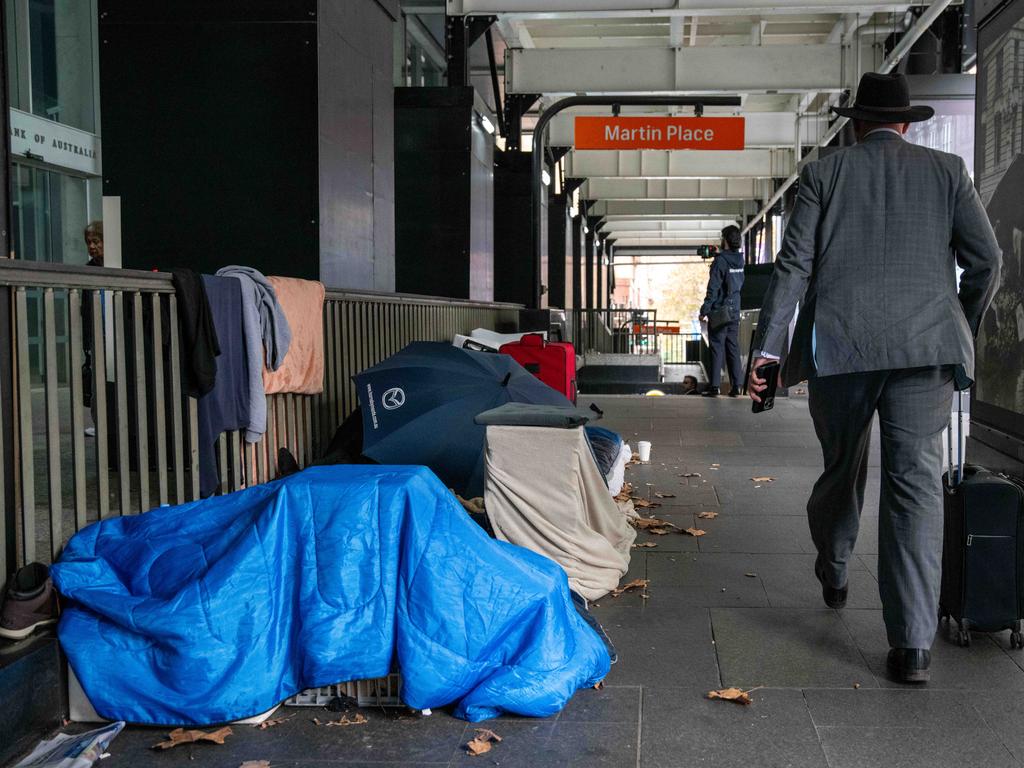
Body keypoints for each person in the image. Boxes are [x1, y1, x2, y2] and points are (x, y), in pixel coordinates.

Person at [748, 72, 1001, 684]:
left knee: (842, 466)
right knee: (913, 485)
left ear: (854, 124)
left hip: (841, 349)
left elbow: (794, 267)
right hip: (926, 352)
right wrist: (956, 325)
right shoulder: (948, 171)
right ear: (906, 123)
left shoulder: (824, 175)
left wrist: (768, 352)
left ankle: (834, 567)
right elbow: (986, 260)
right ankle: (911, 646)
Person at [699, 225, 745, 397]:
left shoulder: (721, 261)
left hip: (720, 311)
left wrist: (705, 309)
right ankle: (736, 386)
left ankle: (715, 387)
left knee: (717, 347)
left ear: (725, 240)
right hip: (735, 309)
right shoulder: (739, 260)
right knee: (732, 346)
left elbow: (714, 288)